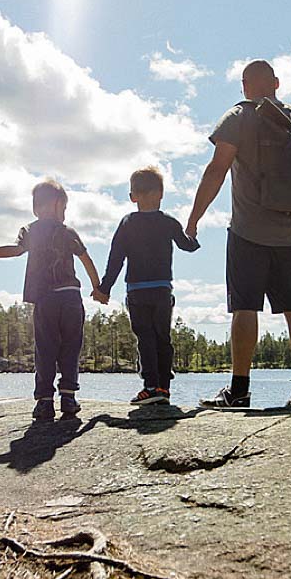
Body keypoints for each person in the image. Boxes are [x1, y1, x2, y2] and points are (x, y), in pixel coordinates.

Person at [185, 58, 291, 408]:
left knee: (245, 309)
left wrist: (193, 220)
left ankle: (238, 390)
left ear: (245, 86)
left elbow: (217, 170)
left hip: (248, 231)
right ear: (276, 84)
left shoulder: (238, 116)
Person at [0, 179, 101, 421]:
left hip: (46, 300)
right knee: (71, 348)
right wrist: (98, 288)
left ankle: (44, 401)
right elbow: (86, 260)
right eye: (64, 209)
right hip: (71, 297)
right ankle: (68, 397)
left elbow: (15, 250)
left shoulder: (31, 230)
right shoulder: (68, 232)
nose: (64, 214)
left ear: (35, 207)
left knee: (46, 349)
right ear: (57, 204)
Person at [92, 166, 199, 405]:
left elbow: (116, 258)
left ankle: (150, 387)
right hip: (162, 291)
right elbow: (187, 245)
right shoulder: (169, 222)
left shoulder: (127, 223)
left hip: (137, 291)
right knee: (163, 337)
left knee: (146, 338)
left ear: (133, 196)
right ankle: (164, 387)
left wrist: (105, 288)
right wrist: (193, 236)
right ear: (161, 193)